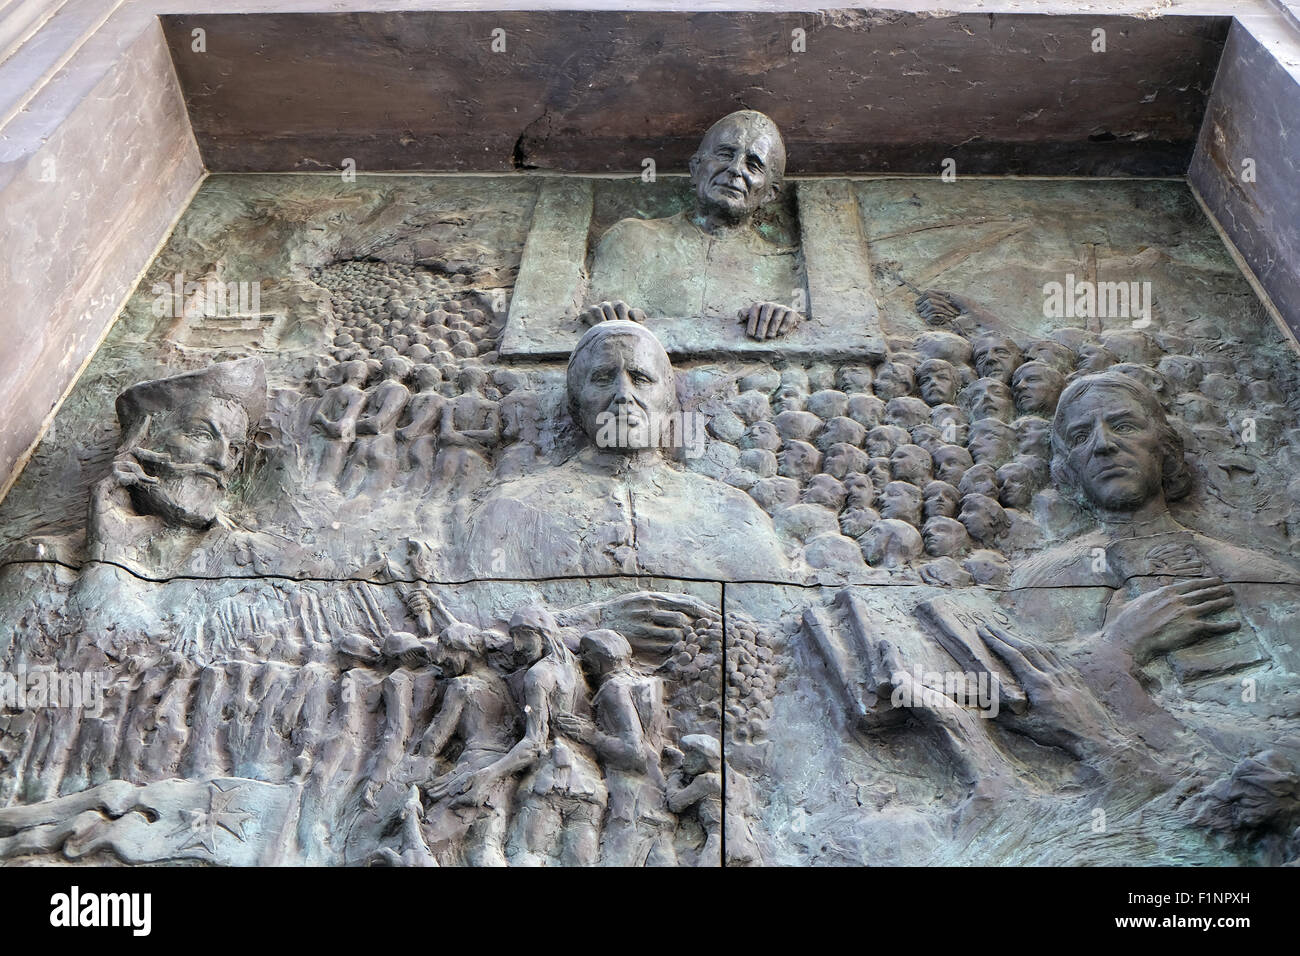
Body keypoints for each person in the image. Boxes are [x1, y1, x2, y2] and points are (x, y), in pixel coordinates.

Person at [462, 321, 791, 578]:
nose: (623, 394)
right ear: (576, 403)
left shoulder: (732, 513)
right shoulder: (511, 510)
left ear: (669, 400)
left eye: (641, 378)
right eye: (603, 378)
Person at [583, 111, 802, 339]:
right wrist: (605, 317)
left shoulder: (784, 268)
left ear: (770, 193)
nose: (736, 169)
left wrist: (786, 322)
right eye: (725, 154)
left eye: (753, 165)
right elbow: (589, 325)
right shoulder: (629, 239)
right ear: (696, 167)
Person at [432, 606, 607, 866]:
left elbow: (535, 743)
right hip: (588, 784)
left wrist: (488, 776)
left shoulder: (538, 675)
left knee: (527, 857)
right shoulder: (576, 671)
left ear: (538, 633)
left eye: (519, 636)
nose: (515, 646)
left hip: (549, 782)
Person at [557, 629, 677, 866]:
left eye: (586, 654)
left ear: (601, 657)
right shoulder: (649, 683)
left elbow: (634, 752)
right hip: (656, 795)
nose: (583, 662)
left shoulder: (613, 688)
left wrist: (588, 734)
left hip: (630, 801)